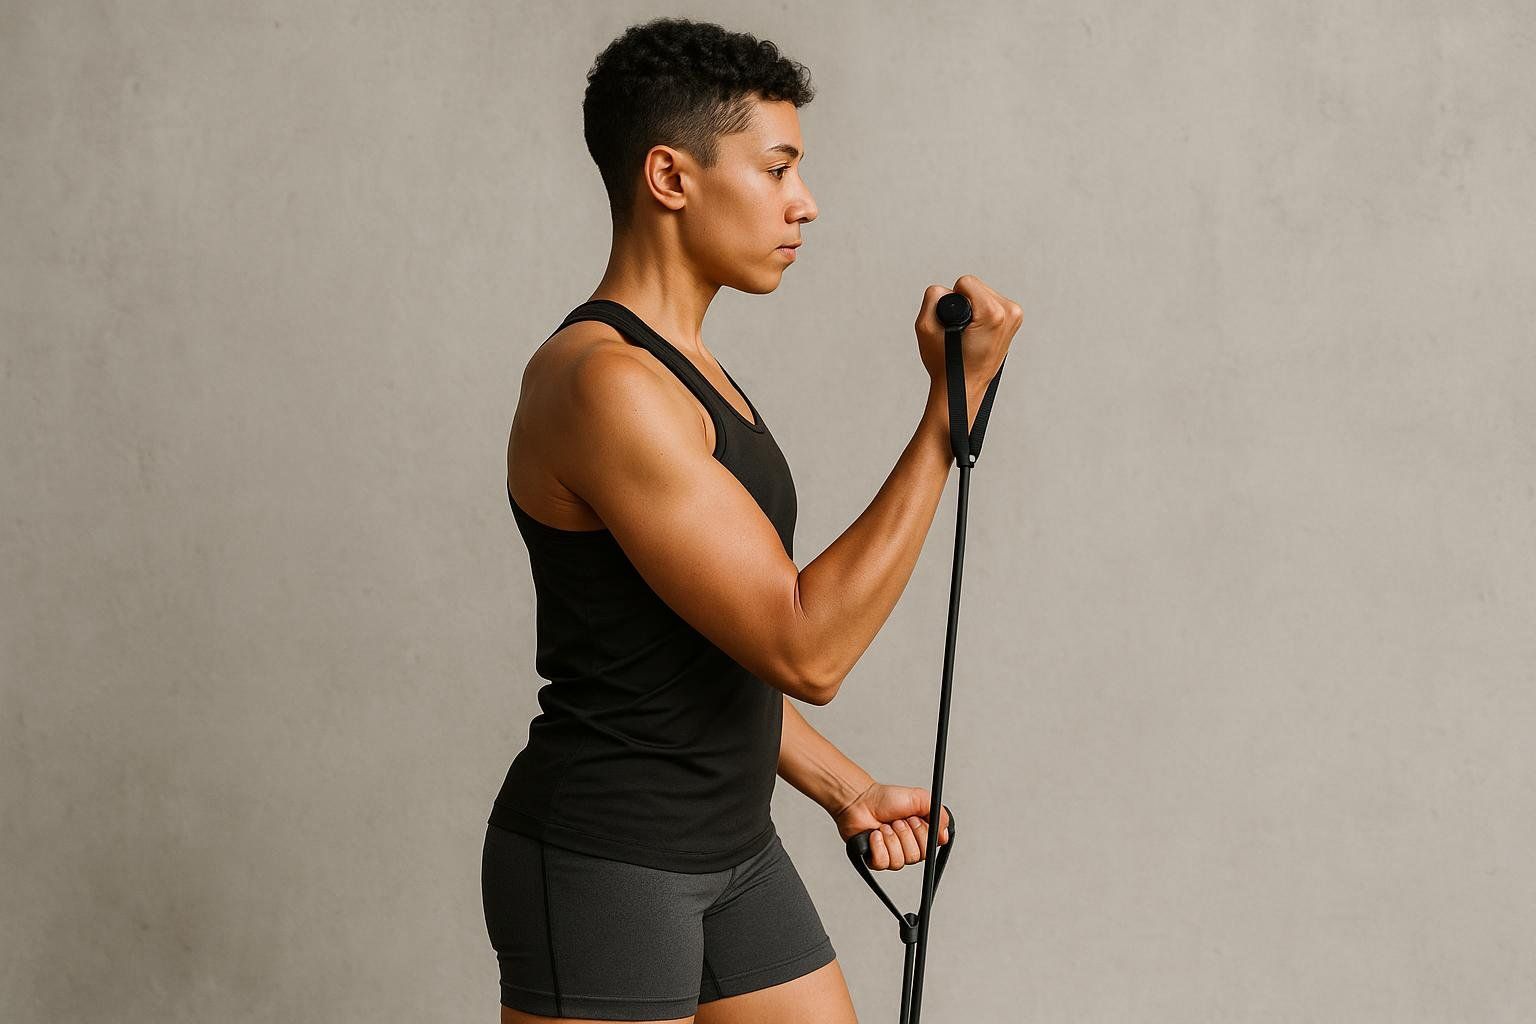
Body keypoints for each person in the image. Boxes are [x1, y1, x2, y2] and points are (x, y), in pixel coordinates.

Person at [482, 16, 1022, 1024]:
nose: (804, 204)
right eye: (777, 169)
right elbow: (804, 643)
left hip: (731, 847)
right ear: (671, 177)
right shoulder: (606, 385)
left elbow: (692, 648)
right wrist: (947, 421)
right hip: (611, 856)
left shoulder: (688, 371)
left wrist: (843, 785)